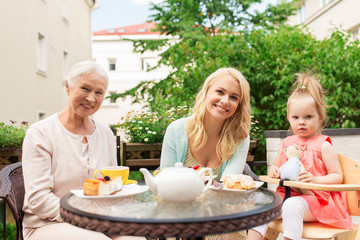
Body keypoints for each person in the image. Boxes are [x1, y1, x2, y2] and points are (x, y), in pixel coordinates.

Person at [22, 61, 143, 240]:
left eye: (99, 92)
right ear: (68, 86)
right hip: (47, 224)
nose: (91, 98)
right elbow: (39, 199)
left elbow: (112, 185)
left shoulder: (105, 133)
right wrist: (86, 217)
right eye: (85, 88)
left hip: (99, 221)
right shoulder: (40, 133)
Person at [246, 73, 352, 240]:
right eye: (296, 117)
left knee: (291, 205)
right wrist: (274, 171)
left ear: (320, 117)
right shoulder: (287, 143)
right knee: (262, 206)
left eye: (308, 117)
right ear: (289, 118)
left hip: (316, 201)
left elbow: (337, 176)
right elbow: (275, 166)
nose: (301, 122)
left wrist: (316, 180)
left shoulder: (323, 145)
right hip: (287, 196)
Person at [160, 68, 254, 240]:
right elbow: (166, 184)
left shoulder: (240, 137)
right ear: (206, 92)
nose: (225, 101)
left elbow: (228, 190)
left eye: (234, 97)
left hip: (222, 218)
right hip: (180, 218)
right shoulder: (177, 129)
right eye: (220, 92)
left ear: (239, 104)